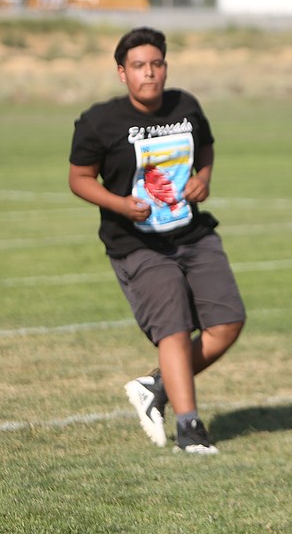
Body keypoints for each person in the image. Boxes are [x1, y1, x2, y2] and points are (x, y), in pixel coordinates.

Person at [68, 26, 245, 455]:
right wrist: (118, 203)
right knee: (175, 327)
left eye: (157, 64)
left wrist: (204, 179)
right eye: (138, 66)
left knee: (228, 323)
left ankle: (156, 386)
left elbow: (205, 150)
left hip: (191, 232)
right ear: (121, 73)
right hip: (137, 242)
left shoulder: (187, 106)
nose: (149, 73)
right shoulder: (99, 121)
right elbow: (78, 178)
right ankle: (190, 429)